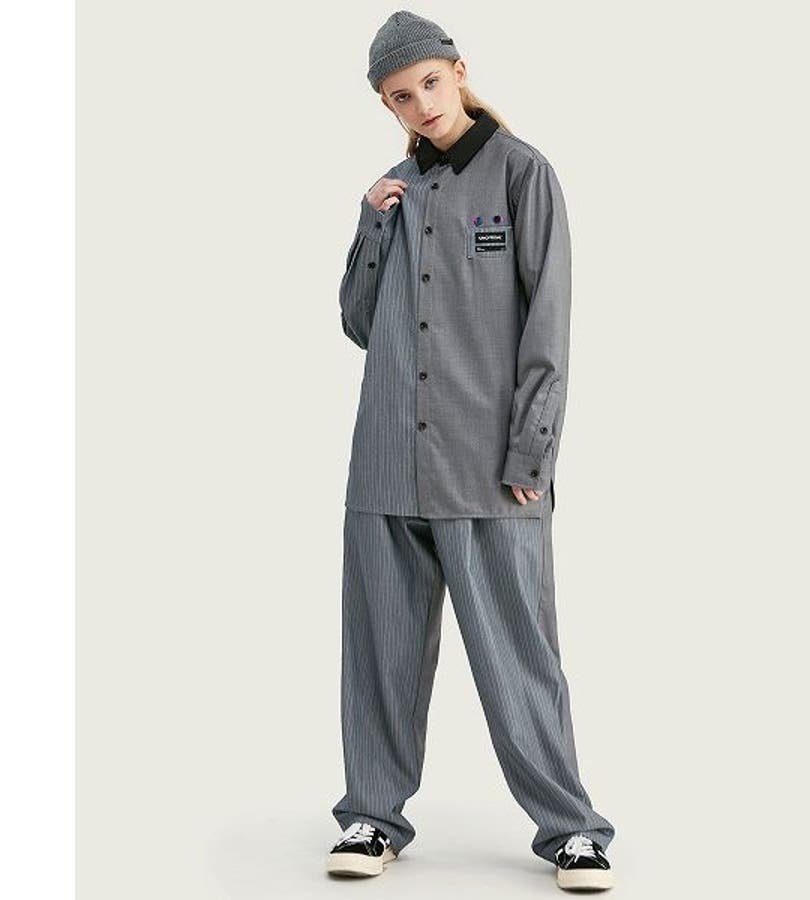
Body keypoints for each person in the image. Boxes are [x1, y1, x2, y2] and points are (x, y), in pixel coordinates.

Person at [326, 10, 616, 892]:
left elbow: (548, 327)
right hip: (386, 464)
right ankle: (372, 817)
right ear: (387, 106)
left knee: (519, 656)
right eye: (398, 97)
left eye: (427, 83)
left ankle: (571, 829)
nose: (419, 104)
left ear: (457, 71)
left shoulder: (524, 173)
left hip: (490, 471)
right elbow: (358, 324)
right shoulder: (393, 191)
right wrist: (372, 224)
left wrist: (533, 455)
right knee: (379, 658)